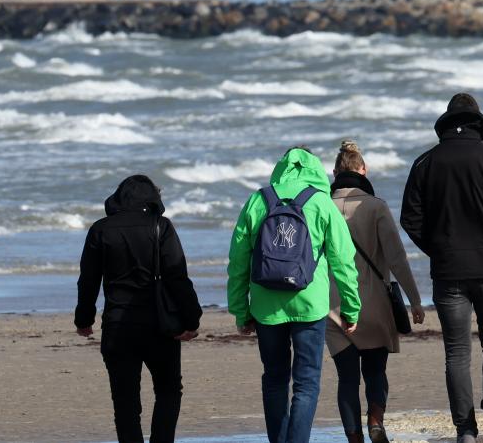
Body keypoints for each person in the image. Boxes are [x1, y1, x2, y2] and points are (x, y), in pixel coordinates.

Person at [401, 93, 483, 443]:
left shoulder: (424, 163)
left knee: (456, 351)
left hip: (448, 271)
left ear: (446, 122)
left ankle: (465, 431)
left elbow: (410, 220)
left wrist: (438, 250)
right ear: (478, 122)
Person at [228, 146, 362, 443]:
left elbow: (238, 262)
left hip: (266, 307)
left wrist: (240, 310)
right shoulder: (321, 202)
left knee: (274, 380)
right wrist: (351, 309)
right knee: (306, 383)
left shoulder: (257, 200)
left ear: (280, 168)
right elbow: (344, 262)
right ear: (315, 168)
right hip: (310, 306)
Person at [75, 175, 203, 443]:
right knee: (168, 390)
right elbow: (177, 277)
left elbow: (88, 280)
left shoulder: (101, 229)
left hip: (117, 326)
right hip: (160, 327)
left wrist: (84, 319)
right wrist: (191, 320)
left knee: (125, 401)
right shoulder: (161, 226)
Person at [327, 140, 425, 443]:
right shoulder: (376, 206)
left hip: (332, 306)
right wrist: (414, 300)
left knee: (346, 379)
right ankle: (375, 421)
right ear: (364, 170)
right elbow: (396, 258)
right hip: (374, 304)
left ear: (334, 173)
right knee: (375, 372)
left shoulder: (321, 208)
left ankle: (354, 439)